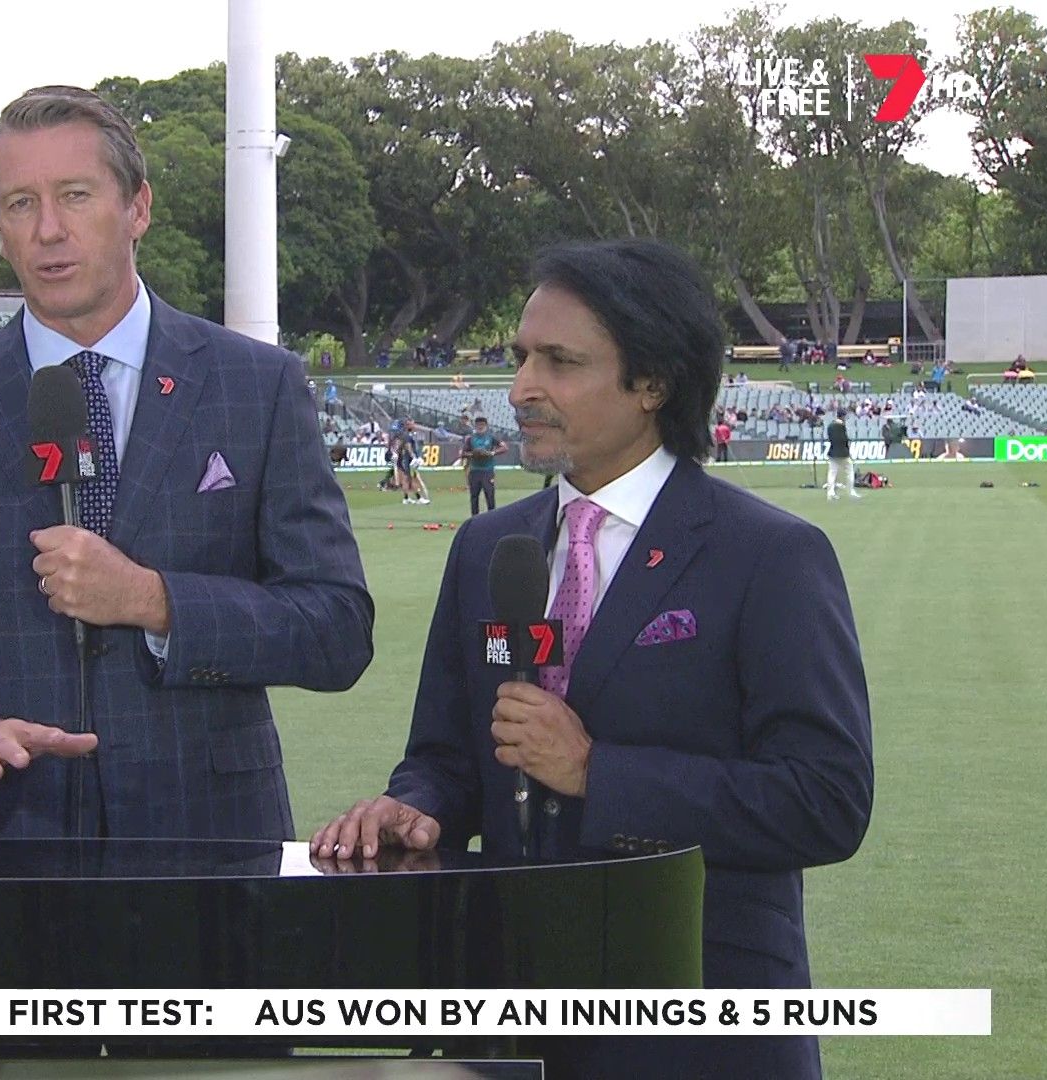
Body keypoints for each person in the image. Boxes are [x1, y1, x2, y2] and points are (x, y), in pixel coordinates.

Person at [312, 240, 872, 1080]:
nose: (520, 389)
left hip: (700, 1032)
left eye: (560, 362)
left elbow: (825, 801)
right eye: (520, 358)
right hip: (507, 1024)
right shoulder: (488, 549)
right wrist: (414, 807)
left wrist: (595, 773)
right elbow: (445, 757)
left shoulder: (768, 555)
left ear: (653, 384)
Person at [0, 86, 373, 842]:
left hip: (209, 846)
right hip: (0, 846)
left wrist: (156, 601)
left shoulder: (257, 386)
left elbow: (336, 628)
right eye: (21, 204)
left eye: (75, 195)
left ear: (138, 207)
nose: (48, 229)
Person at [463, 415, 505, 516]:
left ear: (486, 426)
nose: (480, 427)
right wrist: (474, 454)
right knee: (474, 496)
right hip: (475, 470)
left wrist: (491, 453)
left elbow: (504, 448)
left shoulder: (491, 437)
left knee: (489, 495)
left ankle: (492, 518)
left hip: (487, 470)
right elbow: (464, 453)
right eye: (478, 425)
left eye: (482, 425)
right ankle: (474, 518)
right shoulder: (470, 438)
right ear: (475, 426)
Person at [825, 408, 858, 501]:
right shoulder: (842, 426)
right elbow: (844, 440)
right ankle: (851, 491)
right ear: (843, 416)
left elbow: (830, 438)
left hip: (833, 452)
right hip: (843, 453)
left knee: (832, 473)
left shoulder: (830, 426)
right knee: (849, 471)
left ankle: (830, 493)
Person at [395, 419, 429, 505]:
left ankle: (406, 498)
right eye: (412, 424)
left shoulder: (407, 435)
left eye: (413, 424)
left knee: (406, 479)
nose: (413, 426)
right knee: (411, 479)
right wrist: (414, 457)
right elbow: (408, 447)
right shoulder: (407, 435)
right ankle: (419, 498)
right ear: (408, 425)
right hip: (407, 460)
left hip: (404, 460)